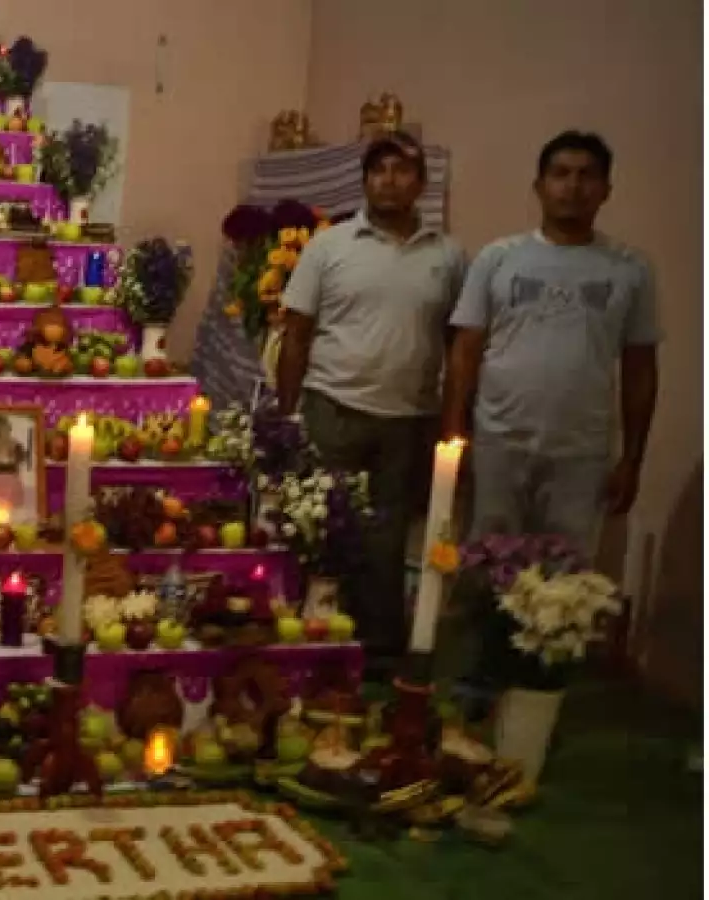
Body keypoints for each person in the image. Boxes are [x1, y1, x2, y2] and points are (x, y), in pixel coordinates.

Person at [275, 131, 466, 667]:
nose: (389, 180)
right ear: (364, 180)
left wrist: (455, 420)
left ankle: (379, 647)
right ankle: (309, 635)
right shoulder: (329, 246)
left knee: (387, 536)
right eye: (378, 170)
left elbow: (461, 345)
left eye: (402, 170)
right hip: (331, 406)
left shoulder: (448, 256)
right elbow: (297, 333)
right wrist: (288, 414)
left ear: (421, 184)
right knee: (321, 527)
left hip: (408, 419)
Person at [442, 131, 658, 557]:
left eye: (586, 176)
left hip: (581, 452)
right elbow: (465, 351)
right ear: (539, 187)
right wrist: (453, 433)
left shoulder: (630, 270)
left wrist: (632, 459)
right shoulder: (498, 258)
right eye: (560, 174)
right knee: (485, 568)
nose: (573, 187)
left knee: (564, 589)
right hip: (498, 443)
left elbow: (640, 369)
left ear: (606, 191)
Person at [0, 417, 31, 516]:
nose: (4, 432)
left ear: (9, 429)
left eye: (6, 429)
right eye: (1, 429)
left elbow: (22, 460)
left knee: (12, 513)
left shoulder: (17, 446)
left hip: (11, 482)